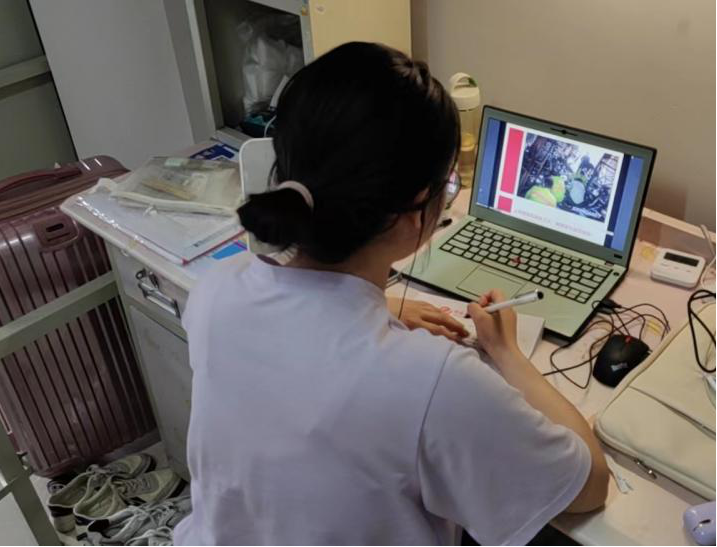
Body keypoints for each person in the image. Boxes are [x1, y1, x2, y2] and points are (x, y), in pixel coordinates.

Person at [174, 42, 609, 546]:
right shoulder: (435, 382)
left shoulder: (216, 292)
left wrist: (385, 311)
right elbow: (588, 486)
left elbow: (306, 355)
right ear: (412, 215)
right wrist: (508, 353)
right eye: (447, 187)